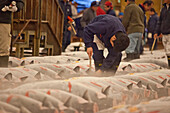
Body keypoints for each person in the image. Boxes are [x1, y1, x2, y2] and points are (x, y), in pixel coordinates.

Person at [0, 0, 24, 67]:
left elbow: (20, 2)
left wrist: (17, 7)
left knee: (3, 48)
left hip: (4, 21)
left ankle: (2, 70)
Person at [154, 0, 170, 68]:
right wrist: (156, 32)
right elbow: (160, 21)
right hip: (164, 33)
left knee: (169, 50)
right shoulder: (163, 9)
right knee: (167, 51)